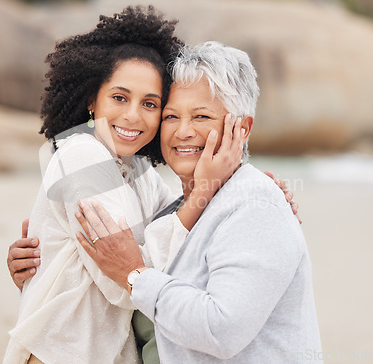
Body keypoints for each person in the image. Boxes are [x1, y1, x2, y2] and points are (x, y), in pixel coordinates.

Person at [3, 7, 246, 364]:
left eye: (150, 104)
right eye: (120, 97)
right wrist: (206, 191)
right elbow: (125, 284)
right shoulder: (82, 153)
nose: (133, 115)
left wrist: (244, 187)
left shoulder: (139, 171)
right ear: (91, 100)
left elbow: (183, 224)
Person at [74, 41, 322, 363]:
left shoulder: (254, 204)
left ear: (242, 128)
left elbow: (222, 330)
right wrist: (40, 266)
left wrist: (135, 274)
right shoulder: (172, 212)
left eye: (201, 116)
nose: (183, 131)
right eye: (171, 116)